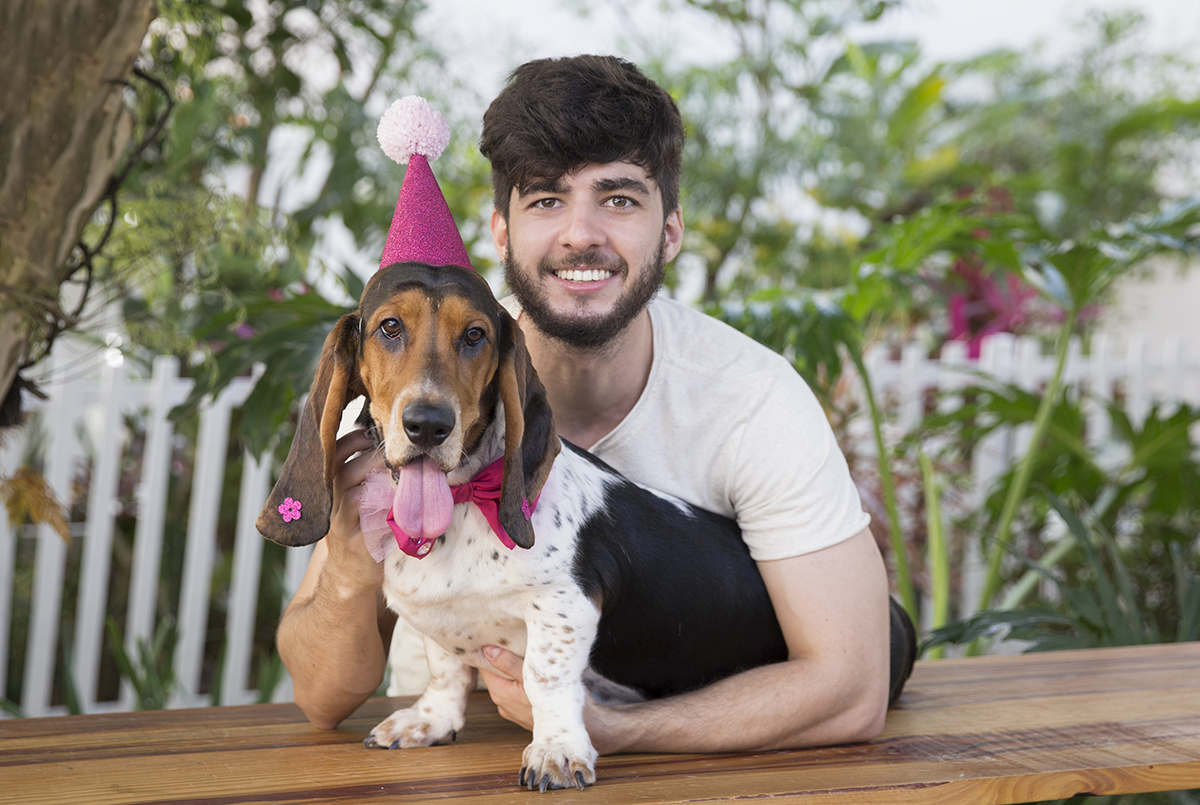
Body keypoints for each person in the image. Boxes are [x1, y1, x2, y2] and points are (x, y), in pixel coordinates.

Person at [277, 54, 897, 755]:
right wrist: (354, 556)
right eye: (546, 199)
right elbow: (321, 698)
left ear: (670, 229)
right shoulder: (405, 400)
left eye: (620, 198)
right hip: (443, 760)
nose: (580, 234)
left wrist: (610, 731)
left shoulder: (755, 399)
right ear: (502, 232)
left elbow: (853, 689)